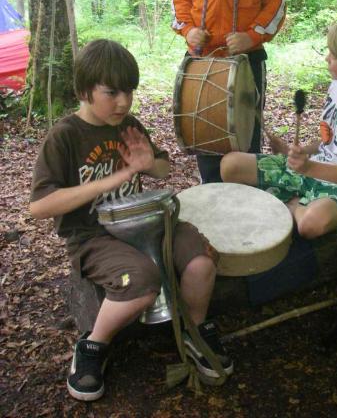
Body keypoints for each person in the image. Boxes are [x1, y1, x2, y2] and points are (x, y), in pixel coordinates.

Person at [30, 39, 233, 402]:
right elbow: (41, 206)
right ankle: (92, 347)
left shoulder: (129, 123)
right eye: (112, 92)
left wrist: (147, 164)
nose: (123, 102)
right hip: (93, 237)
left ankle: (195, 331)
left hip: (150, 223)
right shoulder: (65, 136)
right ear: (84, 90)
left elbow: (162, 167)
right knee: (142, 281)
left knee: (202, 260)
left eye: (130, 91)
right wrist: (118, 177)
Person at [220, 17, 337, 239]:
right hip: (313, 169)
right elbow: (331, 142)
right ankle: (293, 200)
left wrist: (308, 168)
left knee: (312, 224)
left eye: (334, 55)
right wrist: (298, 152)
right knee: (230, 165)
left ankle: (293, 207)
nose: (327, 58)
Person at [172, 0, 286, 183]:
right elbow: (179, 2)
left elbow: (276, 5)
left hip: (248, 60)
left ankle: (247, 199)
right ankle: (211, 192)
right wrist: (188, 30)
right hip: (202, 62)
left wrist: (253, 35)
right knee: (205, 137)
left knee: (246, 135)